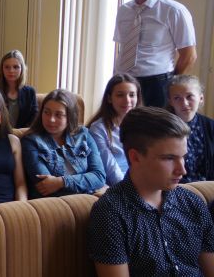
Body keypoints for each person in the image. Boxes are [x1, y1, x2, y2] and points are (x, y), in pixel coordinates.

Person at [87, 107, 214, 276]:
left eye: (183, 157)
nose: (182, 170)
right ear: (135, 157)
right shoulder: (111, 213)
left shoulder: (193, 203)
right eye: (169, 158)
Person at [114, 0, 197, 108]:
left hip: (157, 83)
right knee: (124, 122)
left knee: (154, 122)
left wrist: (171, 84)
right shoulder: (124, 10)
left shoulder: (174, 11)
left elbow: (189, 56)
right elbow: (123, 47)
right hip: (124, 80)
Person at [21, 89, 106, 198]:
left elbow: (99, 176)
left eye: (58, 115)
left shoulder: (83, 134)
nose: (51, 119)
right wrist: (88, 184)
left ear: (69, 117)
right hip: (54, 204)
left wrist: (61, 182)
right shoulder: (31, 141)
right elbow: (45, 186)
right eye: (46, 112)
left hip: (87, 201)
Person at [88, 74, 142, 186]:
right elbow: (111, 169)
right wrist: (131, 189)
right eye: (120, 95)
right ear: (109, 98)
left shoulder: (144, 124)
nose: (127, 100)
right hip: (117, 186)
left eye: (132, 95)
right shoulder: (98, 129)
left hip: (143, 182)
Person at [167, 74, 214, 182]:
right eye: (177, 98)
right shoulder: (163, 128)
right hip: (176, 187)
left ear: (201, 98)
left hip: (208, 186)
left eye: (189, 96)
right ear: (171, 102)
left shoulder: (210, 126)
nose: (184, 103)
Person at [0, 50, 38, 129]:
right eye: (7, 67)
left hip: (23, 133)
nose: (11, 71)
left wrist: (21, 133)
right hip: (0, 133)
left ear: (22, 69)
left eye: (15, 67)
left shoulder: (30, 92)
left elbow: (34, 119)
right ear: (2, 69)